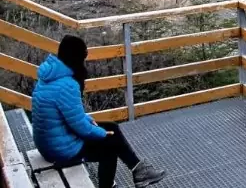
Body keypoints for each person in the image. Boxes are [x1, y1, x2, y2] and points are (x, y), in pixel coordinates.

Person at [32, 35, 166, 188]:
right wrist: (102, 134)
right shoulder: (67, 84)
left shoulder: (49, 76)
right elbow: (79, 127)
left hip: (48, 143)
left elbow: (69, 115)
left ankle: (139, 170)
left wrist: (91, 122)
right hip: (60, 149)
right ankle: (133, 174)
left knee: (111, 127)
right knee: (109, 148)